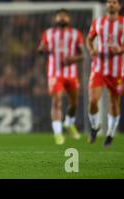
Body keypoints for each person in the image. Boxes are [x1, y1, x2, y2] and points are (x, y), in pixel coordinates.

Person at [86, 0, 124, 146]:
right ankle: (95, 127)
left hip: (116, 70)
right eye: (109, 2)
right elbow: (89, 39)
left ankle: (110, 134)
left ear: (119, 6)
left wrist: (122, 49)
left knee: (114, 103)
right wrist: (91, 50)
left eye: (114, 2)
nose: (110, 4)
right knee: (93, 100)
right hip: (98, 67)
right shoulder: (98, 22)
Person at [38, 9, 84, 145]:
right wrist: (43, 49)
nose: (62, 18)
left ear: (68, 19)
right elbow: (40, 49)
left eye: (64, 16)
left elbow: (83, 55)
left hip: (71, 73)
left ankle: (69, 123)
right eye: (60, 16)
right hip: (54, 73)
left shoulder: (76, 34)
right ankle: (58, 134)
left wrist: (73, 59)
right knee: (57, 101)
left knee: (74, 103)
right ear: (56, 19)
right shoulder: (49, 33)